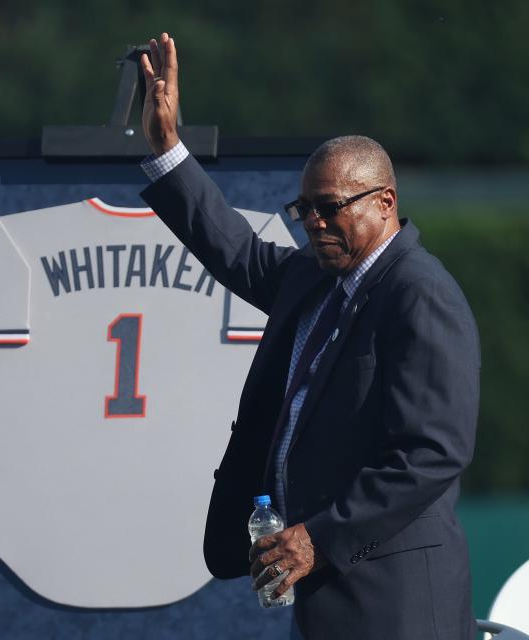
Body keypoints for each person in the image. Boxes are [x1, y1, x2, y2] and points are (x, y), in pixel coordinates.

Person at [137, 33, 481, 640]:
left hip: (397, 599)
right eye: (305, 210)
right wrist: (168, 151)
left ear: (384, 203)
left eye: (329, 206)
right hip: (326, 593)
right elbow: (234, 249)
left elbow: (430, 454)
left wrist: (318, 538)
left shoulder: (420, 294)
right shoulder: (316, 276)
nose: (314, 222)